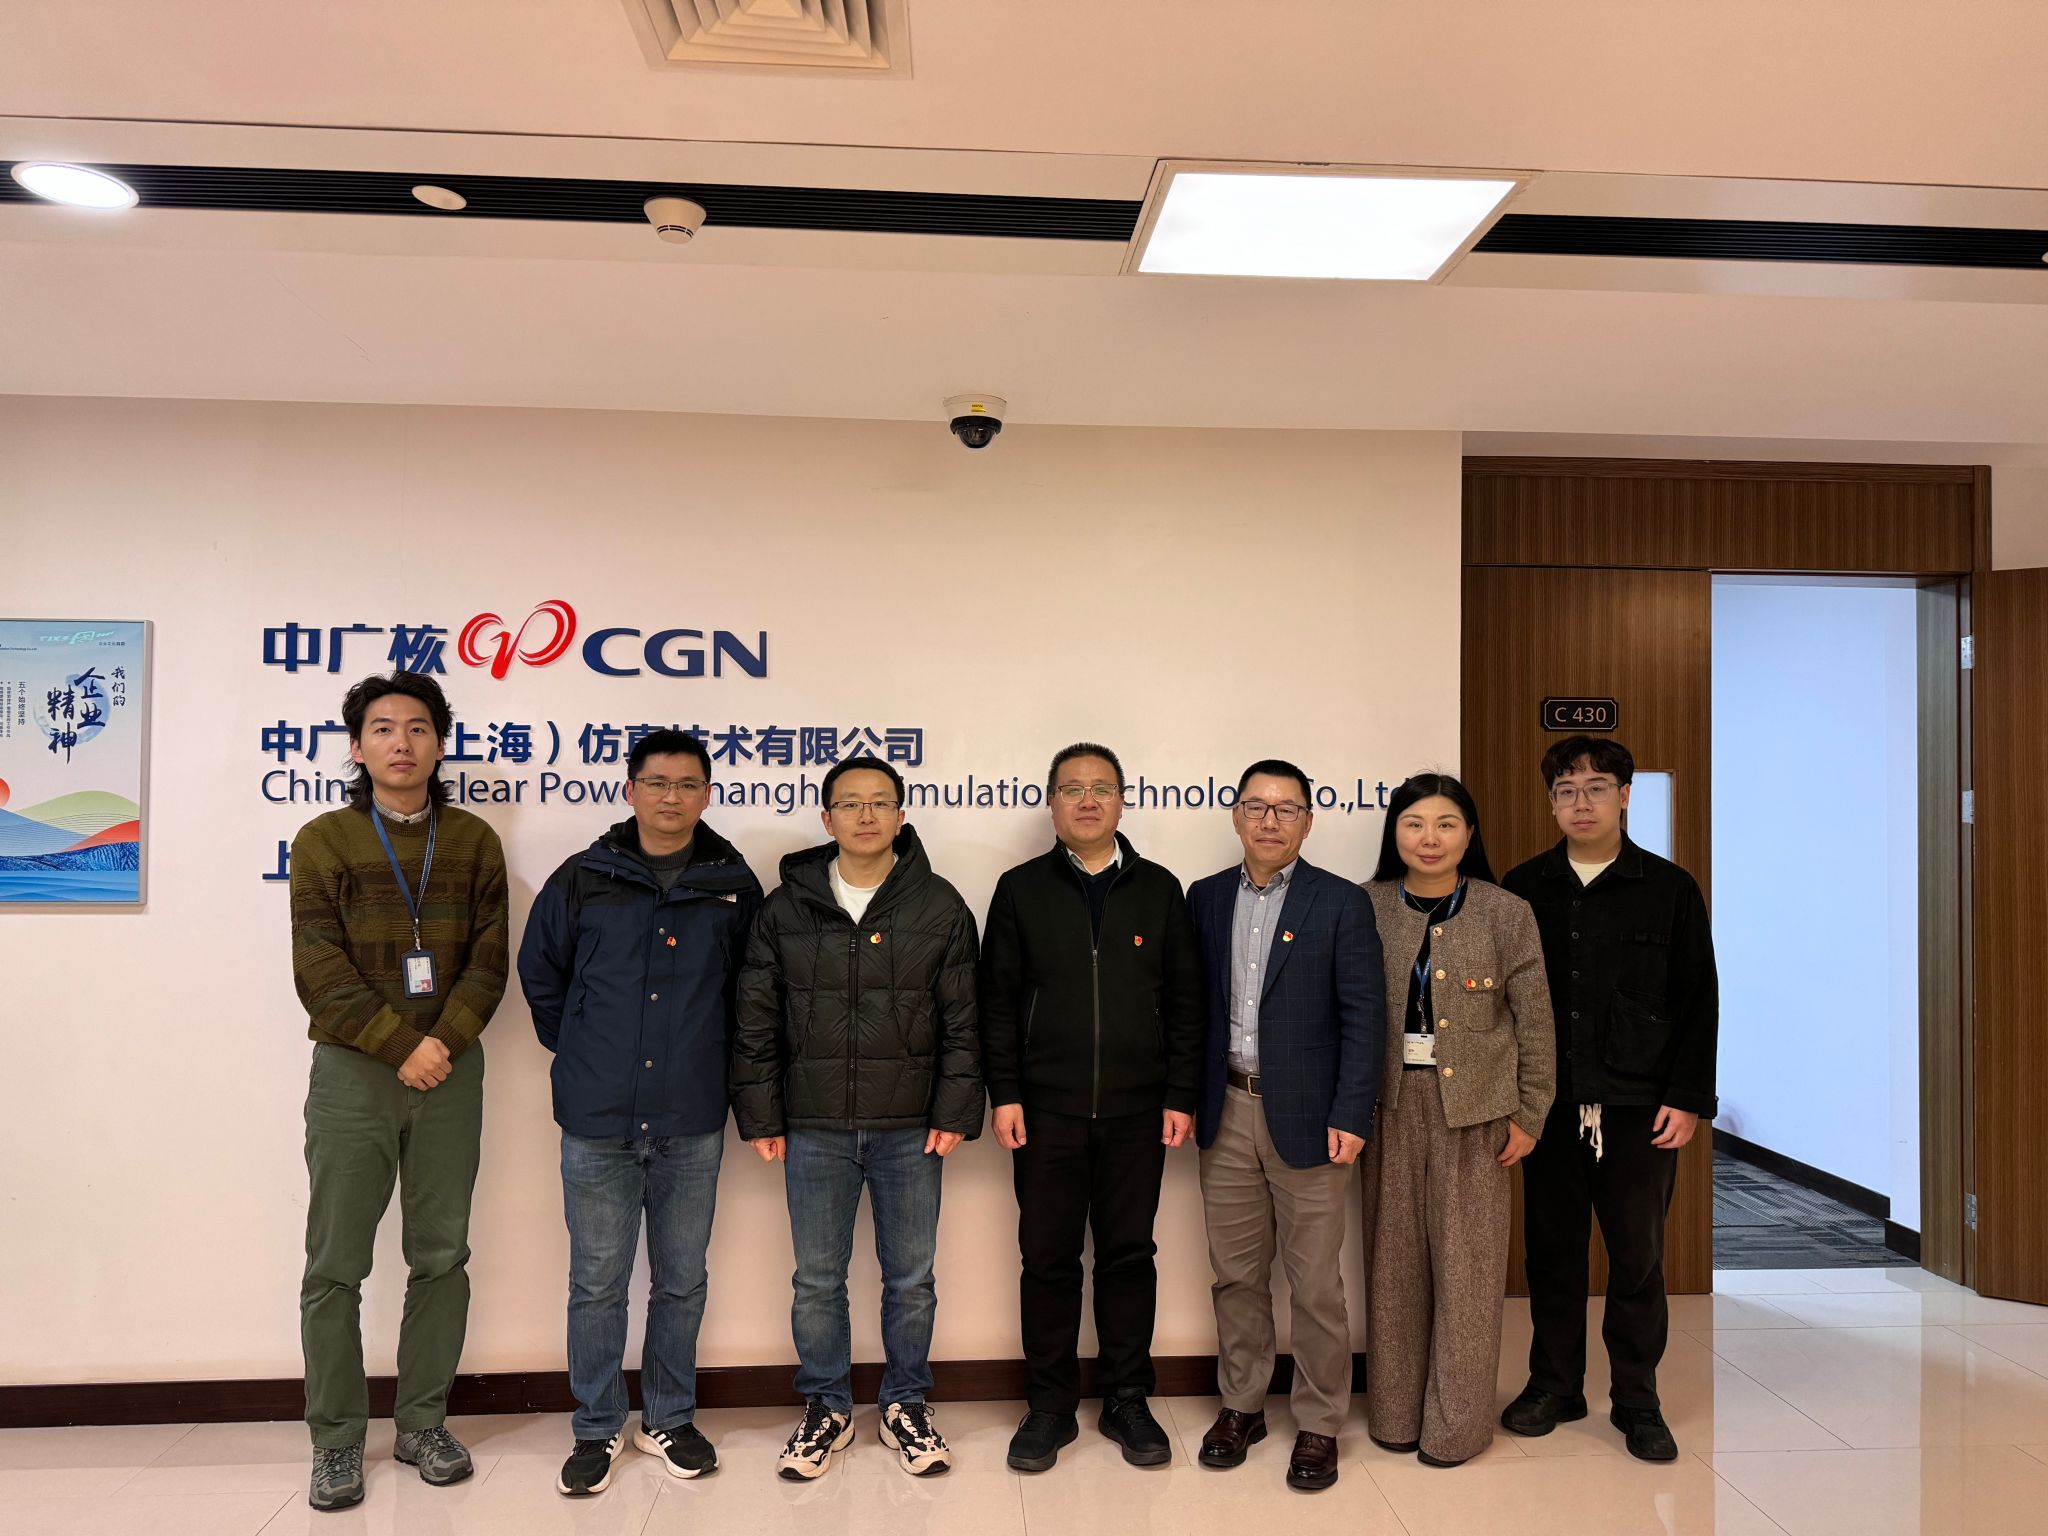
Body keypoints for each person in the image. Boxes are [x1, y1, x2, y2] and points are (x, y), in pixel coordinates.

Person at [516, 729, 762, 1497]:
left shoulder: (732, 885)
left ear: (707, 795)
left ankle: (668, 1418)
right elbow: (540, 973)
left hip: (691, 1113)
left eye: (687, 784)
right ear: (630, 790)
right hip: (598, 1118)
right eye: (656, 782)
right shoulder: (584, 877)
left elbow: (753, 992)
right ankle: (596, 1426)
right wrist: (585, 1048)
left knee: (682, 1279)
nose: (671, 797)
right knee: (597, 1281)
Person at [731, 755, 984, 1481]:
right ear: (827, 818)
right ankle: (827, 1407)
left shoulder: (939, 905)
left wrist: (955, 1109)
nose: (866, 816)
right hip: (813, 1127)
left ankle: (906, 1403)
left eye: (880, 803)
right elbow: (755, 1021)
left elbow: (964, 1021)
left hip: (912, 1128)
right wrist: (762, 1115)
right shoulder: (785, 909)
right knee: (817, 1279)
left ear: (902, 816)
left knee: (911, 1279)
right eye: (850, 803)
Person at [291, 671, 508, 1513]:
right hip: (354, 1071)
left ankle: (423, 1424)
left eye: (418, 728)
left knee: (441, 1255)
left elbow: (489, 962)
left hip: (450, 1069)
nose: (402, 743)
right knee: (335, 1264)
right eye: (382, 728)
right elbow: (319, 968)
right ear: (357, 747)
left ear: (440, 743)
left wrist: (438, 1044)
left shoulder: (475, 841)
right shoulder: (324, 841)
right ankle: (336, 1440)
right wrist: (399, 1046)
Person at [979, 742, 1203, 1473]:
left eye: (1101, 788)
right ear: (1051, 803)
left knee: (1129, 1256)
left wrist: (1179, 1095)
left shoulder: (1159, 889)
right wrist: (1006, 1092)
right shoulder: (1020, 889)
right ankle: (1049, 1405)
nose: (1087, 800)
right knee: (1047, 1260)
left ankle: (1126, 1398)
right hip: (1045, 1111)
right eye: (1072, 788)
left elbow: (1186, 1002)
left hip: (1139, 1112)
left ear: (1122, 801)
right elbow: (996, 1003)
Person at [1500, 736, 1718, 1462]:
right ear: (1551, 803)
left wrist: (1688, 1098)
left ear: (1624, 795)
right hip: (1549, 1108)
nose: (1581, 803)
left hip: (1640, 1108)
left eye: (1596, 788)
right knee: (1552, 1256)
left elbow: (1699, 998)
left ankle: (1637, 1399)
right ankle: (1555, 1386)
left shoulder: (1669, 887)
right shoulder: (1523, 887)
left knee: (1638, 1260)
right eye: (1566, 790)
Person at [1187, 759, 1385, 1492]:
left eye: (1287, 809)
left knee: (1315, 1285)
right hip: (1227, 1109)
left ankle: (1320, 1420)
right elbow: (1192, 1010)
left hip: (1313, 1118)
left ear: (1307, 820)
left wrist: (1352, 1112)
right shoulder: (1205, 897)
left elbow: (1365, 1017)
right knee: (1237, 1276)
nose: (1270, 821)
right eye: (1257, 806)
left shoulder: (1340, 902)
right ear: (1236, 816)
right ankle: (1242, 1405)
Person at [1361, 773, 1553, 1467]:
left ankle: (1457, 1427)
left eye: (1446, 824)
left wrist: (1530, 1112)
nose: (1430, 838)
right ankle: (1393, 1414)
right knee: (1394, 1269)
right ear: (1395, 833)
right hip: (1386, 1108)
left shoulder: (1506, 912)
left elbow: (1535, 1022)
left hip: (1478, 1114)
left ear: (1469, 834)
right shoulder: (1366, 905)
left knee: (1468, 1274)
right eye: (1414, 823)